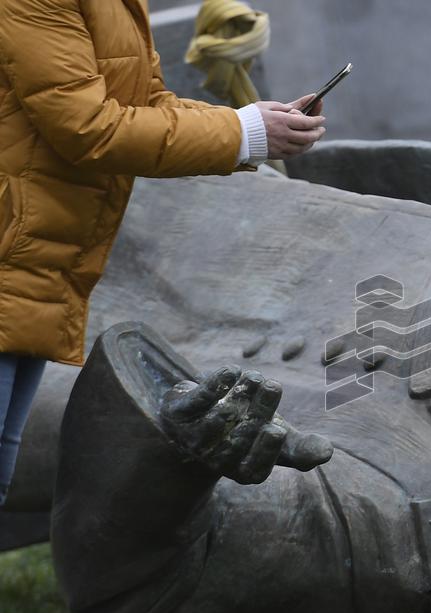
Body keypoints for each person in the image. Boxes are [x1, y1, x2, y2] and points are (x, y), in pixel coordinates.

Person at [0, 0, 326, 506]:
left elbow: (145, 102)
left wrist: (252, 125)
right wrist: (241, 133)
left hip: (36, 264)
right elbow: (87, 127)